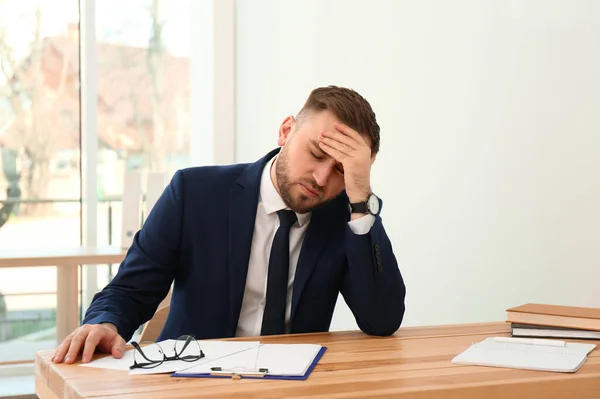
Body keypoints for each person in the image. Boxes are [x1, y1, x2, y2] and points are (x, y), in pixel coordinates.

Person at [52, 85, 406, 365]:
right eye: (315, 153)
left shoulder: (347, 217)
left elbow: (382, 320)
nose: (321, 177)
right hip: (189, 380)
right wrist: (105, 324)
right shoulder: (193, 193)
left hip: (295, 387)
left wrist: (361, 201)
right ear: (286, 131)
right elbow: (130, 289)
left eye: (342, 170)